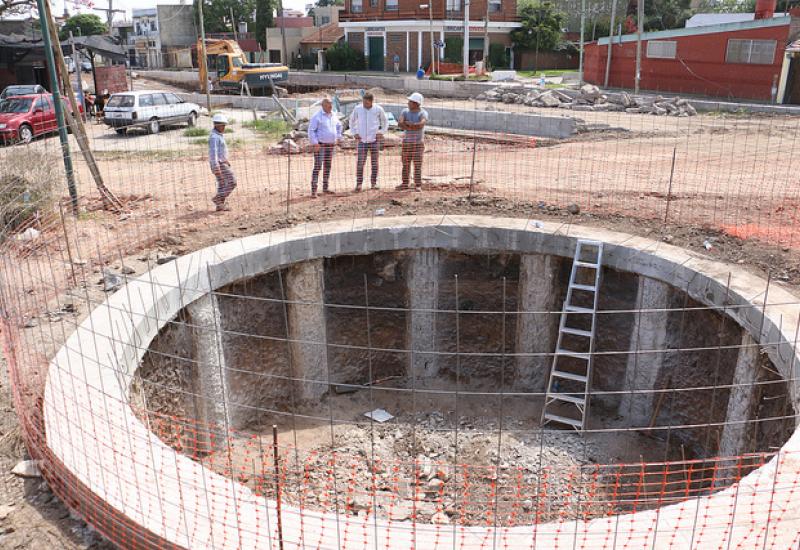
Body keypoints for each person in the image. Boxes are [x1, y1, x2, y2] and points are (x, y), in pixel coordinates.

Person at [349, 92, 388, 192]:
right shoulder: (358, 109)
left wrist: (381, 132)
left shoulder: (378, 109)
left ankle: (374, 183)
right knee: (360, 163)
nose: (364, 104)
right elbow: (351, 121)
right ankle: (359, 184)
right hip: (362, 140)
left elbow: (385, 121)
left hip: (374, 140)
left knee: (374, 163)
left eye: (366, 102)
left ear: (371, 101)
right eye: (363, 102)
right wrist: (354, 133)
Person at [308, 97, 342, 197]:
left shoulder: (333, 115)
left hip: (330, 146)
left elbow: (339, 126)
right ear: (323, 105)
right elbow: (311, 130)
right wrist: (315, 143)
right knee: (318, 166)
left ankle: (325, 188)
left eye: (331, 105)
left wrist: (338, 137)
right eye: (328, 105)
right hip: (320, 146)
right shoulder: (317, 116)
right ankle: (314, 190)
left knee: (328, 166)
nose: (330, 107)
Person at [397, 92, 428, 192]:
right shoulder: (405, 111)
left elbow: (421, 125)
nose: (408, 103)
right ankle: (405, 183)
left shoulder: (423, 113)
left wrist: (409, 125)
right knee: (405, 163)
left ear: (416, 103)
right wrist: (412, 125)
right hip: (407, 142)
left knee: (417, 164)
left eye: (410, 101)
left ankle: (417, 184)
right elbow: (400, 123)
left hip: (418, 143)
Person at [209, 113, 237, 211]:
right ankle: (218, 199)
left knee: (222, 183)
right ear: (217, 125)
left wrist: (225, 160)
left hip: (222, 162)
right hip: (219, 164)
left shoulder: (218, 135)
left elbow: (220, 151)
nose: (224, 127)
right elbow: (214, 153)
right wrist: (216, 167)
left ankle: (220, 205)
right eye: (222, 125)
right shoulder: (214, 137)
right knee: (232, 182)